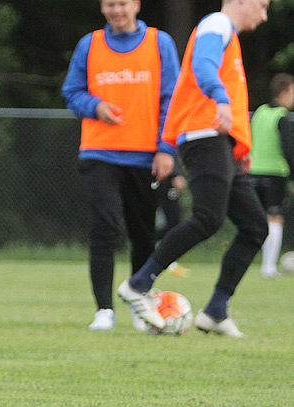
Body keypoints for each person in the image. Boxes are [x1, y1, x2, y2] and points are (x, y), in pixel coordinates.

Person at [119, 0, 271, 338]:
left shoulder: (225, 33)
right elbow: (204, 66)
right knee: (208, 218)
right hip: (205, 134)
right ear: (242, 1)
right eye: (261, 6)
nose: (263, 16)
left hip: (222, 142)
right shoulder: (216, 24)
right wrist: (220, 99)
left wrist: (240, 145)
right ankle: (138, 284)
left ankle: (215, 311)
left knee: (255, 226)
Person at [62, 0, 180, 332]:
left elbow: (172, 98)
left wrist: (166, 148)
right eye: (110, 4)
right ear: (102, 7)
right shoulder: (90, 44)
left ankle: (140, 306)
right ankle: (104, 310)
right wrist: (94, 106)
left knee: (143, 235)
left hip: (146, 156)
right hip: (99, 153)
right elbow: (71, 92)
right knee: (104, 228)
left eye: (123, 4)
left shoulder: (160, 43)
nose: (117, 10)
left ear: (137, 5)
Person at [249, 73, 294, 278]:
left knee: (257, 219)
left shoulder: (259, 112)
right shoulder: (282, 117)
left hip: (254, 171)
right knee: (275, 218)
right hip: (275, 172)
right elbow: (288, 149)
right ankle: (268, 267)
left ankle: (255, 261)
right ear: (283, 92)